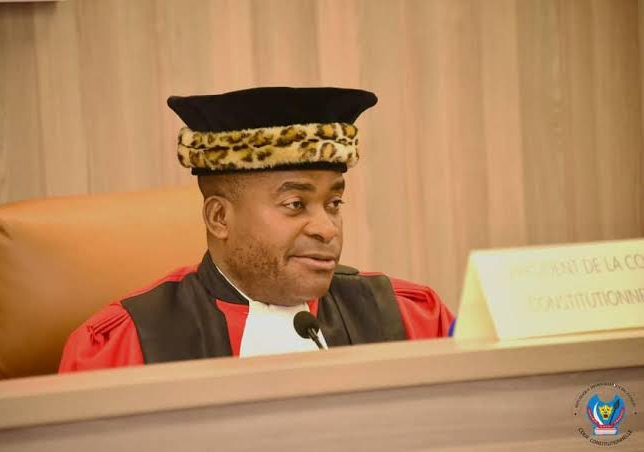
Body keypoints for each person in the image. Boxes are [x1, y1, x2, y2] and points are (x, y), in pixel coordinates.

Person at [59, 87, 454, 372]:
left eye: (334, 203)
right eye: (295, 204)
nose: (326, 229)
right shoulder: (128, 345)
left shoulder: (408, 319)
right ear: (219, 218)